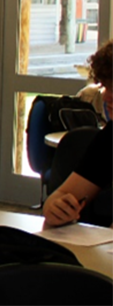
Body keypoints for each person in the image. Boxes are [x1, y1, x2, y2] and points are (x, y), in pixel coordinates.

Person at [44, 41, 113, 227]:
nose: (106, 97)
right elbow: (59, 196)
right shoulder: (109, 138)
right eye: (105, 87)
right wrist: (55, 207)